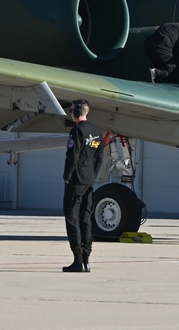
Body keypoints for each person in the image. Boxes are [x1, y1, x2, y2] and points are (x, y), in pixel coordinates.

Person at [62, 99, 104, 273]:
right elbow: (99, 157)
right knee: (85, 218)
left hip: (76, 181)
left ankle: (78, 259)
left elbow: (73, 154)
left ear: (77, 112)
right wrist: (92, 175)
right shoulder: (97, 131)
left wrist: (67, 176)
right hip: (88, 180)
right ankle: (86, 259)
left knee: (72, 218)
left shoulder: (77, 131)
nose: (70, 113)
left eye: (71, 110)